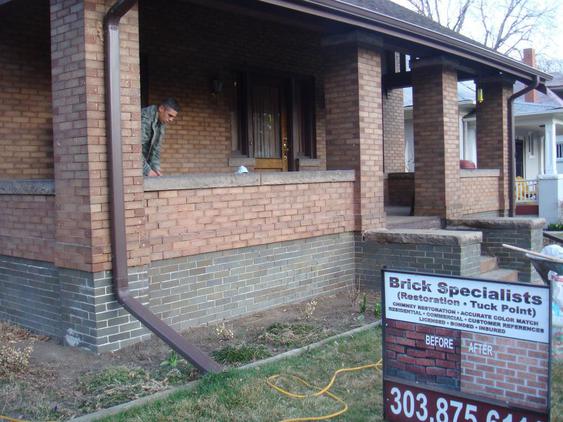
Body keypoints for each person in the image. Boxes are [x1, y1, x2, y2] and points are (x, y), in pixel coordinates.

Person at [141, 98, 181, 176]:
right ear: (161, 108)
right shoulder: (145, 118)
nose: (171, 119)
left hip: (140, 165)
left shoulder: (161, 122)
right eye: (170, 115)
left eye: (173, 117)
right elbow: (135, 150)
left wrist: (155, 169)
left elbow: (156, 149)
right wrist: (147, 170)